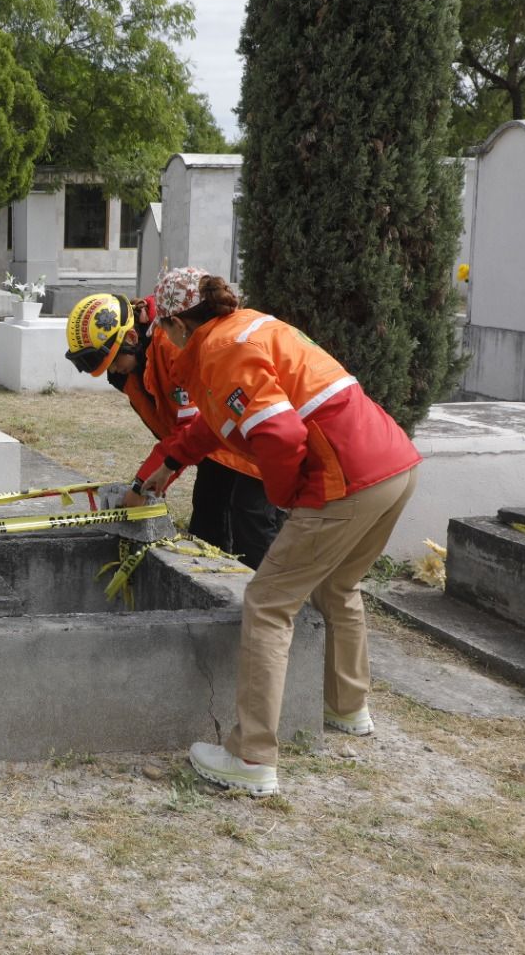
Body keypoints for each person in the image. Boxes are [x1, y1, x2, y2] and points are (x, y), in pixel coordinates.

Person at [137, 273, 420, 797]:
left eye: (165, 330)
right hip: (393, 464)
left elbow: (280, 433)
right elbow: (216, 423)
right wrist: (168, 463)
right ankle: (347, 706)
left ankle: (251, 756)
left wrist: (285, 494)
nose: (165, 340)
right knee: (338, 586)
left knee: (268, 602)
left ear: (177, 322)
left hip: (346, 479)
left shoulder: (219, 351)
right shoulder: (244, 330)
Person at [63, 275, 284, 568]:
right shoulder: (131, 365)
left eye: (113, 362)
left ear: (130, 338)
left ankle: (272, 599)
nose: (113, 371)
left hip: (247, 438)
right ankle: (222, 592)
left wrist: (143, 483)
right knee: (207, 521)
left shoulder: (171, 343)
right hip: (215, 443)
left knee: (251, 520)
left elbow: (189, 424)